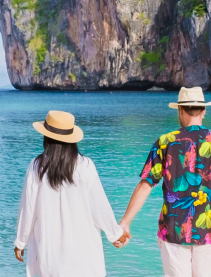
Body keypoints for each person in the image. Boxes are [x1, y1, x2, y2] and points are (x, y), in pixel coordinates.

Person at [117, 87, 211, 277]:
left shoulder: (165, 142)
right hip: (209, 231)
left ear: (180, 110)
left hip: (173, 231)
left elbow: (146, 184)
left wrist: (125, 222)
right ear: (204, 111)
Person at [14, 111, 130, 277]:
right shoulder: (85, 166)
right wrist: (115, 234)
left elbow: (28, 210)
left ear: (46, 138)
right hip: (84, 259)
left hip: (49, 258)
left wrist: (21, 241)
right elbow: (99, 207)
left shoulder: (36, 167)